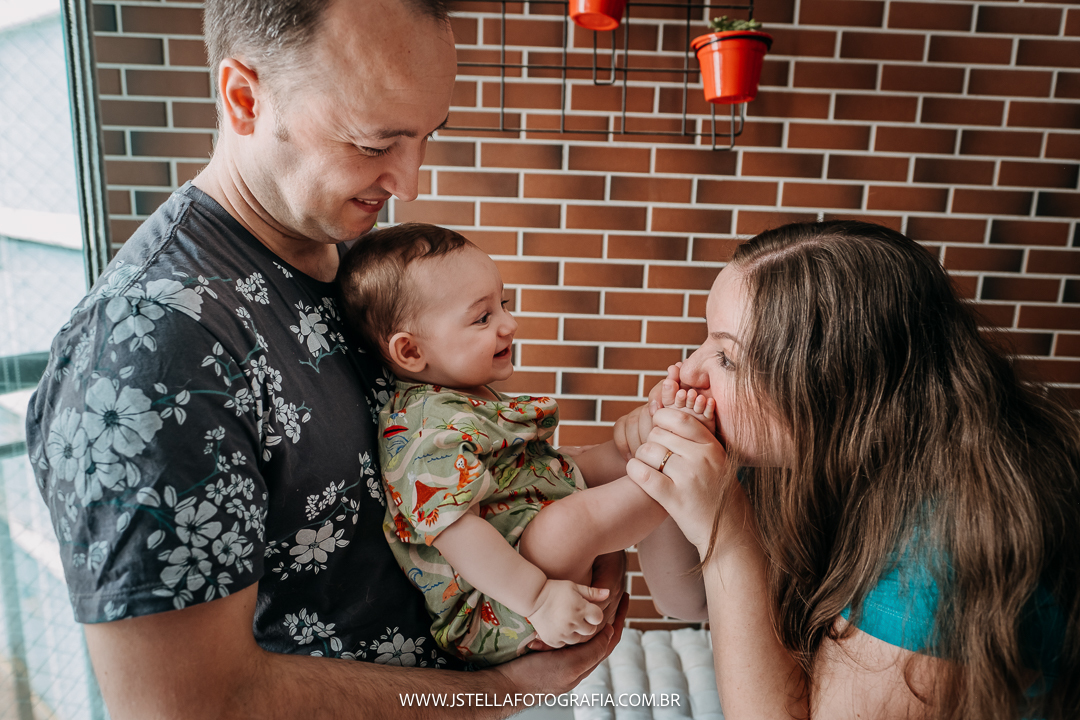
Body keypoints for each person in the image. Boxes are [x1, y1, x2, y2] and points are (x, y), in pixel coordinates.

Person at [24, 0, 629, 717]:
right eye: (374, 144)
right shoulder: (148, 349)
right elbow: (187, 706)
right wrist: (497, 695)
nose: (410, 182)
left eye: (426, 136)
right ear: (244, 98)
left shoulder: (352, 263)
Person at [621, 220, 1080, 719]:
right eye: (706, 339)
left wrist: (730, 536)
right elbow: (684, 600)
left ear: (829, 390)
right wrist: (662, 469)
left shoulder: (944, 556)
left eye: (728, 359)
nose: (688, 371)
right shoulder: (802, 450)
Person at [336, 222, 715, 666]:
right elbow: (456, 534)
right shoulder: (424, 431)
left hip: (527, 541)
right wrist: (538, 599)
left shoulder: (462, 396)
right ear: (411, 352)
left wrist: (631, 440)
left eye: (504, 304)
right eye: (483, 317)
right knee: (565, 525)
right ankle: (677, 467)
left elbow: (547, 470)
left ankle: (664, 430)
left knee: (586, 462)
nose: (509, 323)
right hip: (500, 601)